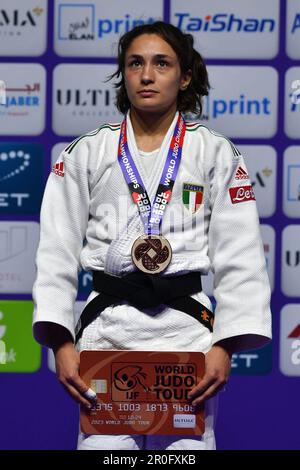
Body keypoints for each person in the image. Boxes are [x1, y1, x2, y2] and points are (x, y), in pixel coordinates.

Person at [32, 21, 272, 450]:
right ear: (123, 74)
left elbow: (241, 254)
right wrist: (61, 342)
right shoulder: (86, 151)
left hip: (187, 336)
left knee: (183, 457)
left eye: (162, 63)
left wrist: (224, 347)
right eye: (135, 63)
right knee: (108, 455)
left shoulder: (215, 151)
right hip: (107, 332)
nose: (147, 74)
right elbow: (55, 250)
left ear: (184, 77)